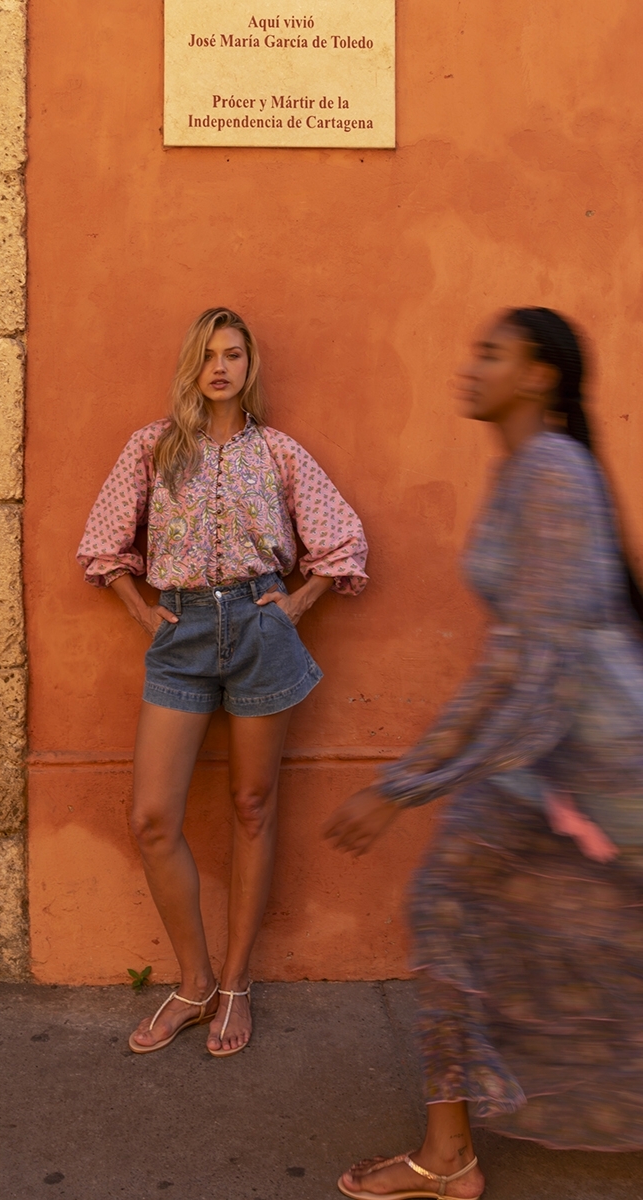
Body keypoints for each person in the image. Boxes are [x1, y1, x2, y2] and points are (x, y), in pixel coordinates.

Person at [324, 308, 643, 1199]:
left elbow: (542, 672)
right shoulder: (525, 470)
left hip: (587, 759)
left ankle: (449, 1157)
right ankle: (449, 1151)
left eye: (491, 353)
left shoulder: (553, 471)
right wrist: (407, 779)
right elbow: (506, 661)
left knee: (451, 906)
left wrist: (410, 789)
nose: (470, 366)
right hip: (560, 751)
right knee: (537, 926)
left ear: (539, 374)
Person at [78, 307, 368, 1057]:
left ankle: (236, 983)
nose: (220, 367)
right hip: (181, 636)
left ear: (249, 366)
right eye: (207, 354)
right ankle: (195, 981)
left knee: (251, 805)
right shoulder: (153, 448)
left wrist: (298, 603)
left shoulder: (277, 451)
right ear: (192, 364)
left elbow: (342, 538)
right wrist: (141, 610)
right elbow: (103, 541)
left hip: (259, 626)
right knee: (152, 818)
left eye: (233, 354)